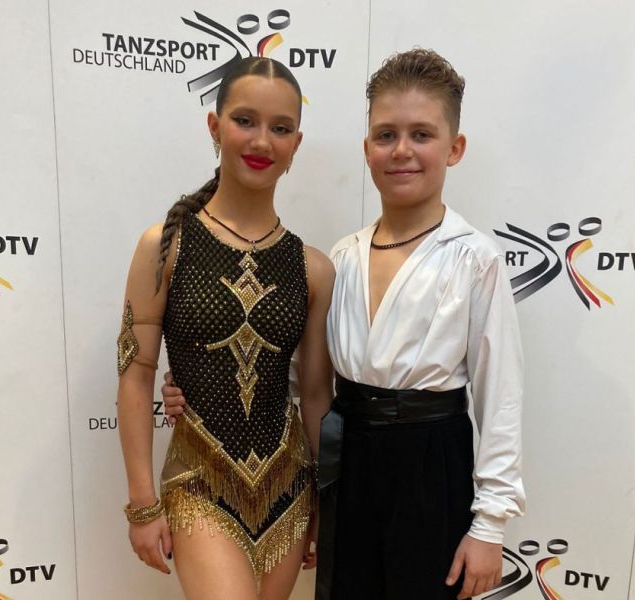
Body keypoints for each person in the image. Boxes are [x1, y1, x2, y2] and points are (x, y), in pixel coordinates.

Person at [164, 48, 524, 600]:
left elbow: (501, 398)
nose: (401, 150)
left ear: (454, 148)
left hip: (433, 465)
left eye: (421, 135)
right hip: (348, 463)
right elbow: (295, 376)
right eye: (386, 135)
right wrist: (200, 384)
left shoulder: (474, 258)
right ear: (367, 148)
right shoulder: (341, 259)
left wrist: (490, 525)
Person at [116, 56, 333, 600]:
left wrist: (324, 502)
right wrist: (142, 504)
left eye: (280, 128)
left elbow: (315, 396)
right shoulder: (166, 247)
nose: (261, 141)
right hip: (198, 480)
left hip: (288, 484)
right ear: (214, 127)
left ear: (296, 144)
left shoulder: (313, 269)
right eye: (244, 120)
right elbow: (135, 377)